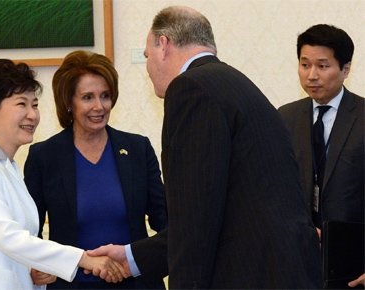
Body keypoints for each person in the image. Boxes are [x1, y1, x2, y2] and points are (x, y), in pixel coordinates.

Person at [89, 6, 323, 289]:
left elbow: (195, 220)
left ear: (163, 44)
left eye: (146, 55)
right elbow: (216, 209)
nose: (148, 67)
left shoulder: (190, 89)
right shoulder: (231, 82)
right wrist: (132, 257)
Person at [0, 59, 126, 290]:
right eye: (21, 104)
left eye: (34, 105)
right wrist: (83, 259)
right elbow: (9, 237)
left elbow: (17, 246)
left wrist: (39, 270)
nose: (32, 115)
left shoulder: (9, 168)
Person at [23, 50, 167, 289]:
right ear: (69, 102)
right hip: (72, 284)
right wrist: (34, 267)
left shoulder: (138, 149)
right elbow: (29, 229)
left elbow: (165, 219)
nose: (99, 106)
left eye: (105, 96)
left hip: (135, 283)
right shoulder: (44, 156)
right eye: (88, 97)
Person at [278, 24, 364, 288]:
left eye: (323, 66)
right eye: (305, 65)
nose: (312, 75)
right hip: (298, 262)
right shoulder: (284, 117)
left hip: (355, 264)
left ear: (345, 69)